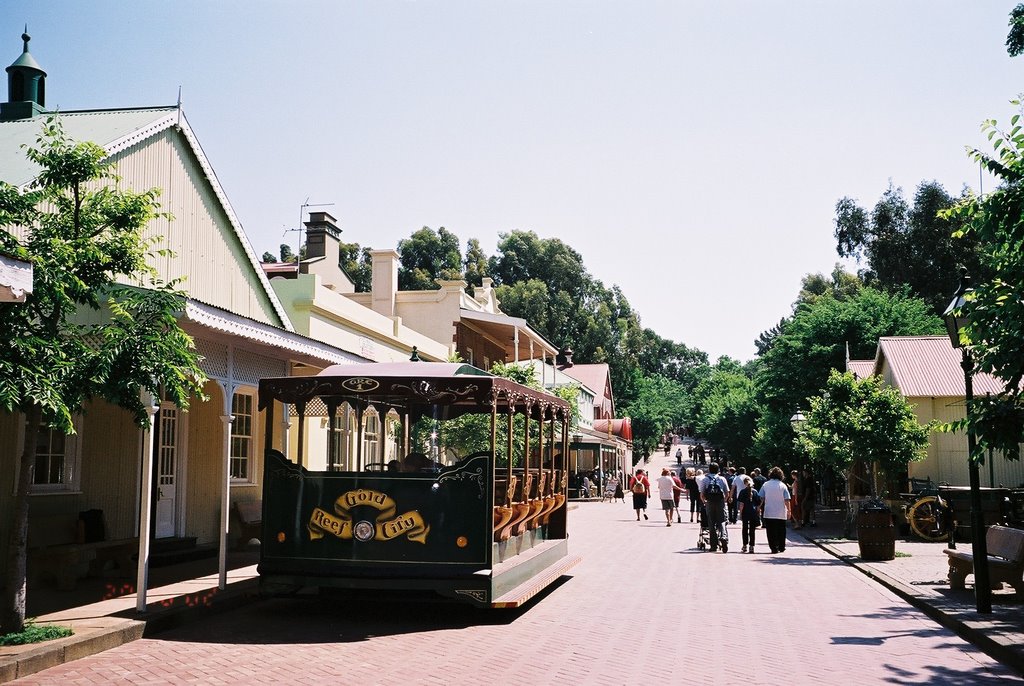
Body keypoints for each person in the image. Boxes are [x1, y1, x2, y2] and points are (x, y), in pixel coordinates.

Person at [758, 466, 792, 553]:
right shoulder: (783, 485)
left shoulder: (765, 485)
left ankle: (773, 547)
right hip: (781, 512)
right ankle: (781, 546)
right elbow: (787, 499)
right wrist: (789, 511)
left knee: (770, 531)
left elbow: (761, 497)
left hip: (769, 512)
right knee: (781, 530)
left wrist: (758, 507)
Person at [700, 462, 730, 553]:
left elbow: (702, 494)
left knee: (711, 523)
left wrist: (704, 501)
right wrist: (724, 501)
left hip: (710, 502)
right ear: (718, 470)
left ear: (709, 469)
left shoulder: (705, 479)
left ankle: (713, 545)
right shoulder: (722, 479)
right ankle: (723, 537)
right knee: (722, 521)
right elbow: (727, 493)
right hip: (720, 502)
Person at [736, 475, 762, 553]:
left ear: (744, 484)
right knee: (752, 530)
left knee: (745, 529)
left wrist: (740, 513)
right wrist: (758, 511)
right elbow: (758, 503)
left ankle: (744, 545)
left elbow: (741, 504)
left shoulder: (742, 492)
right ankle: (751, 546)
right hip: (753, 512)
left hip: (745, 512)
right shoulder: (755, 491)